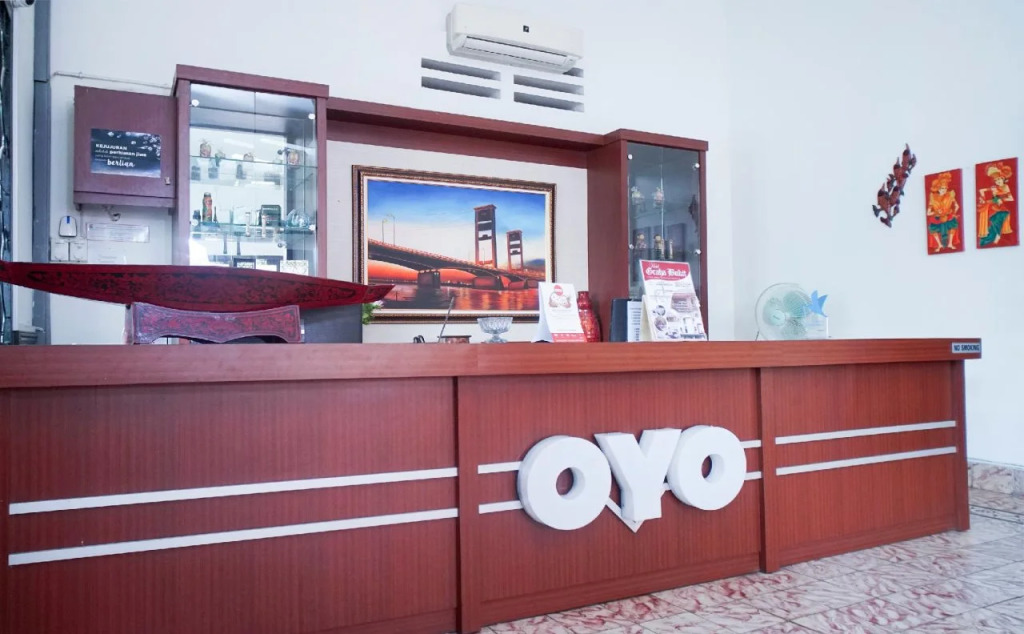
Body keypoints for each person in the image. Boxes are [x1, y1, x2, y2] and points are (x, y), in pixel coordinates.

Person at [978, 163, 1015, 246]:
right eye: (996, 181)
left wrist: (1001, 199)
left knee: (998, 218)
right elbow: (981, 191)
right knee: (993, 220)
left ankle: (998, 236)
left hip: (1003, 208)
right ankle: (994, 236)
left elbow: (1011, 198)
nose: (998, 182)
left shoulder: (1006, 187)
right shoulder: (994, 188)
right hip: (994, 208)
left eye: (999, 180)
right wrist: (983, 197)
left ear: (1003, 179)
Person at [926, 172, 960, 252]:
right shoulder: (933, 198)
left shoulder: (950, 195)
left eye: (945, 188)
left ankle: (950, 243)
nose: (944, 190)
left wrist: (953, 212)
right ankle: (939, 245)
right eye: (942, 188)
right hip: (937, 217)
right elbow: (928, 213)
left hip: (948, 216)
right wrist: (936, 212)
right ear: (938, 188)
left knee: (953, 225)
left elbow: (957, 206)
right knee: (933, 228)